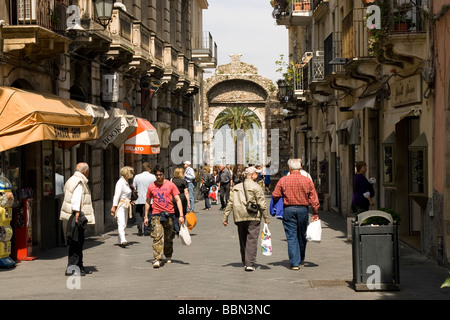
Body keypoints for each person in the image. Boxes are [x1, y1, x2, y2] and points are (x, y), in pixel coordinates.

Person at [272, 159, 320, 270]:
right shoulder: (307, 181)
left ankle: (294, 262)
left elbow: (275, 195)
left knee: (291, 236)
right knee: (302, 235)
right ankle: (301, 258)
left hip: (288, 210)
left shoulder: (283, 180)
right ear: (300, 167)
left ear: (289, 168)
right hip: (303, 210)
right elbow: (314, 198)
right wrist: (315, 212)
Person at [223, 167, 270, 271]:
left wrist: (225, 216)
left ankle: (245, 260)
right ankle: (250, 263)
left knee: (243, 238)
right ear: (252, 175)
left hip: (239, 215)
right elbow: (262, 204)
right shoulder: (256, 187)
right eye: (256, 174)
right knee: (252, 239)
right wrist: (266, 218)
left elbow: (230, 202)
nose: (257, 176)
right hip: (253, 215)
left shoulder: (237, 187)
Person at [144, 165, 184, 268]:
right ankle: (157, 258)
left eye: (160, 175)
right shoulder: (151, 186)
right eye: (156, 175)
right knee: (157, 237)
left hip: (169, 214)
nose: (158, 177)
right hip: (156, 214)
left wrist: (181, 215)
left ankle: (168, 254)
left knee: (168, 237)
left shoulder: (171, 185)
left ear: (163, 174)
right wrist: (146, 216)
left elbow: (178, 200)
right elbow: (148, 202)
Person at [60, 162, 95, 276]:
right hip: (77, 216)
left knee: (77, 242)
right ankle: (73, 268)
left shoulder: (71, 179)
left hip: (74, 215)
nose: (88, 173)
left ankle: (78, 266)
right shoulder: (79, 182)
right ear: (85, 171)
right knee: (76, 242)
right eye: (88, 171)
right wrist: (77, 214)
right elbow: (76, 199)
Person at [111, 166, 135, 248]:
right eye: (131, 173)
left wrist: (130, 200)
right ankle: (123, 240)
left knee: (124, 223)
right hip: (121, 205)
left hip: (126, 204)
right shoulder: (120, 182)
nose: (132, 175)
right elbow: (116, 195)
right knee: (121, 222)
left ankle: (120, 240)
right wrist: (114, 206)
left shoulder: (126, 182)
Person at [133, 162, 156, 236]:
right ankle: (147, 229)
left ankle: (139, 225)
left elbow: (134, 187)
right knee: (149, 213)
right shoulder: (153, 177)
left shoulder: (137, 177)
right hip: (150, 198)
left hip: (139, 197)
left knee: (138, 212)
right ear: (149, 169)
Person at [171, 167, 191, 234]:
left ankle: (175, 226)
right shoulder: (184, 181)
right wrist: (188, 202)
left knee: (174, 212)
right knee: (182, 212)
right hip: (182, 197)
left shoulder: (172, 180)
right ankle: (180, 226)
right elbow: (186, 192)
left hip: (174, 197)